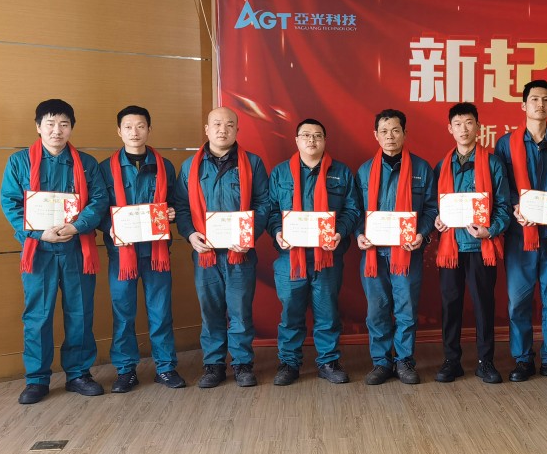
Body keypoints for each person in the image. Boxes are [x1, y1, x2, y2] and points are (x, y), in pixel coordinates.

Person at [0, 99, 109, 404]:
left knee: (80, 312)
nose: (56, 130)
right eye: (50, 123)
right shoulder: (19, 162)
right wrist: (38, 233)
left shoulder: (86, 163)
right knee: (38, 314)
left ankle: (79, 374)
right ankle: (37, 379)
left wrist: (76, 226)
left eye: (63, 124)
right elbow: (10, 202)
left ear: (71, 128)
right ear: (38, 127)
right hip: (39, 250)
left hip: (76, 248)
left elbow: (99, 200)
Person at [171, 106, 271, 389]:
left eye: (229, 124)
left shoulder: (253, 163)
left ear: (237, 129)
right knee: (211, 311)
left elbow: (263, 203)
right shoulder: (190, 166)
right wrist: (190, 234)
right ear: (207, 129)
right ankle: (213, 365)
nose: (222, 129)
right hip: (206, 254)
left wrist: (249, 235)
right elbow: (181, 207)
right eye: (216, 124)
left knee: (240, 311)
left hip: (241, 254)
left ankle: (242, 364)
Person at [267, 119, 362, 386]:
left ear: (325, 140)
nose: (312, 140)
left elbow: (352, 209)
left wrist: (339, 232)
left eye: (317, 135)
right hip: (290, 258)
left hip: (328, 257)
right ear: (296, 140)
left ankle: (328, 362)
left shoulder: (341, 172)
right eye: (306, 135)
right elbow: (271, 209)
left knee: (327, 312)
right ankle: (289, 363)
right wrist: (277, 231)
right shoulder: (280, 173)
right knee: (290, 313)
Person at [494, 80, 547, 383]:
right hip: (521, 235)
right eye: (534, 99)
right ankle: (523, 359)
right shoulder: (506, 143)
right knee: (519, 301)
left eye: (545, 99)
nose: (540, 104)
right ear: (523, 105)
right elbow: (502, 185)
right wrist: (514, 206)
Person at [99, 105, 185, 392]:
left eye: (140, 126)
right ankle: (125, 371)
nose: (134, 132)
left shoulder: (164, 166)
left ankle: (165, 367)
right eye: (128, 127)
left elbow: (174, 202)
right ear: (119, 131)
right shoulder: (105, 168)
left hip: (156, 253)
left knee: (160, 312)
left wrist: (171, 213)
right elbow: (98, 208)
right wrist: (108, 226)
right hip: (121, 254)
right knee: (123, 313)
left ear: (149, 129)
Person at [355, 109, 439, 385]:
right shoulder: (365, 171)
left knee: (406, 309)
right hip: (374, 254)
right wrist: (359, 233)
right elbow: (355, 210)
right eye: (384, 131)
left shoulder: (421, 169)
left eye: (395, 130)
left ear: (404, 133)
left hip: (407, 252)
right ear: (375, 135)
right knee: (377, 309)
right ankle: (381, 362)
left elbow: (431, 209)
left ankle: (404, 361)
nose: (389, 136)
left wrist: (422, 233)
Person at [434, 102, 512, 384]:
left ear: (478, 127)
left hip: (481, 247)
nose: (463, 129)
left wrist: (490, 230)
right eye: (458, 124)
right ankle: (451, 361)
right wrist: (438, 220)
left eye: (469, 123)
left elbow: (504, 206)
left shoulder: (492, 163)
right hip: (451, 248)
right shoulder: (442, 165)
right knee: (450, 304)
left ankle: (485, 361)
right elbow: (435, 206)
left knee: (483, 305)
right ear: (450, 129)